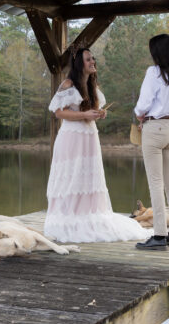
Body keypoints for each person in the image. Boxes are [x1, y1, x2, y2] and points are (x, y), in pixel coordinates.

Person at [44, 48, 151, 244]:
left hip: (89, 137)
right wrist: (85, 115)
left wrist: (98, 113)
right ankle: (70, 217)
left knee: (88, 177)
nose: (93, 61)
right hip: (72, 137)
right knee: (72, 177)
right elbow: (58, 112)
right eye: (88, 59)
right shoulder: (68, 84)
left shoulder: (92, 85)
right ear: (79, 64)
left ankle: (89, 213)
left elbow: (88, 111)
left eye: (93, 58)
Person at [133, 34, 169, 251]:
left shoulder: (153, 73)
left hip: (154, 129)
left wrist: (138, 114)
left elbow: (144, 103)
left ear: (157, 52)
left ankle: (158, 236)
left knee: (156, 182)